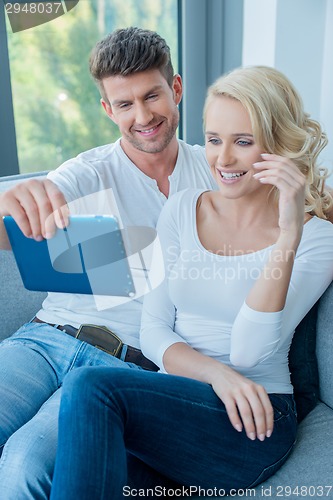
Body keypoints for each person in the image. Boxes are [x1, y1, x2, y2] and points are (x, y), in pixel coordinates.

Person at [49, 66, 333, 499]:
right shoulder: (183, 208)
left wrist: (288, 234)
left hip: (253, 420)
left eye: (243, 142)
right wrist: (217, 375)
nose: (222, 160)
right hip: (179, 398)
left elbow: (248, 350)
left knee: (91, 387)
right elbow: (155, 328)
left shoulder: (315, 239)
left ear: (278, 147)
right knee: (66, 468)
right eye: (214, 139)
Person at [0, 27, 217, 498]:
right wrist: (16, 203)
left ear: (175, 88)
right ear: (107, 110)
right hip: (44, 339)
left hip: (125, 368)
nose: (142, 117)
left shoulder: (213, 171)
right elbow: (15, 224)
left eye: (152, 96)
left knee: (23, 466)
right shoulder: (88, 171)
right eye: (124, 104)